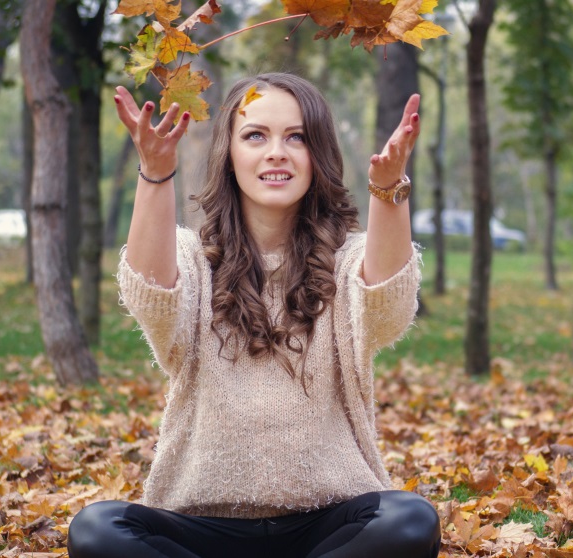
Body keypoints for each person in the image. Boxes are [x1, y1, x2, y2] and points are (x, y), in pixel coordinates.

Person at [66, 72, 440, 558]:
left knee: (410, 520)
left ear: (317, 154)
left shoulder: (348, 260)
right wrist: (156, 172)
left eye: (297, 137)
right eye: (255, 136)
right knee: (97, 529)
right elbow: (152, 294)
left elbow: (387, 309)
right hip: (200, 527)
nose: (276, 152)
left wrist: (387, 190)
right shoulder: (193, 259)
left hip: (328, 528)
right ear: (230, 154)